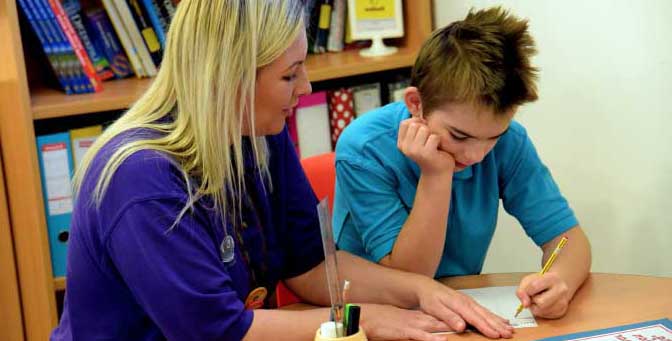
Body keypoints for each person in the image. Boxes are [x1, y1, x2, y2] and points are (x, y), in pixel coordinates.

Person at [50, 1, 517, 340]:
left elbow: (310, 267)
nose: (306, 87)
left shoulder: (257, 135)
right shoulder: (143, 179)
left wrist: (418, 291)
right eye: (290, 75)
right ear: (228, 75)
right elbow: (217, 332)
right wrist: (363, 321)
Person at [333, 6, 592, 320]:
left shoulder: (510, 142)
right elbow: (411, 278)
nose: (475, 155)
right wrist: (436, 174)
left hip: (455, 313)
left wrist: (559, 281)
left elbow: (569, 240)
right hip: (372, 315)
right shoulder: (363, 149)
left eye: (494, 137)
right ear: (416, 104)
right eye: (459, 135)